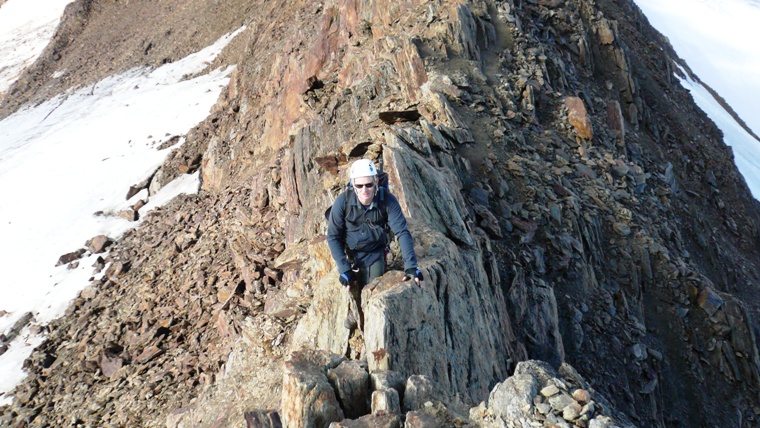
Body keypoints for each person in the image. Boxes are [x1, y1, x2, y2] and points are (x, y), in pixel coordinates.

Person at [327, 158, 423, 330]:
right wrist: (344, 268)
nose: (365, 190)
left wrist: (411, 266)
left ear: (376, 181)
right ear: (353, 184)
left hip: (374, 253)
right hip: (351, 251)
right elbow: (333, 236)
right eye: (359, 186)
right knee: (350, 284)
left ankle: (367, 326)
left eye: (369, 185)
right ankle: (354, 312)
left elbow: (402, 232)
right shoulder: (343, 201)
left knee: (372, 292)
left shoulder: (388, 201)